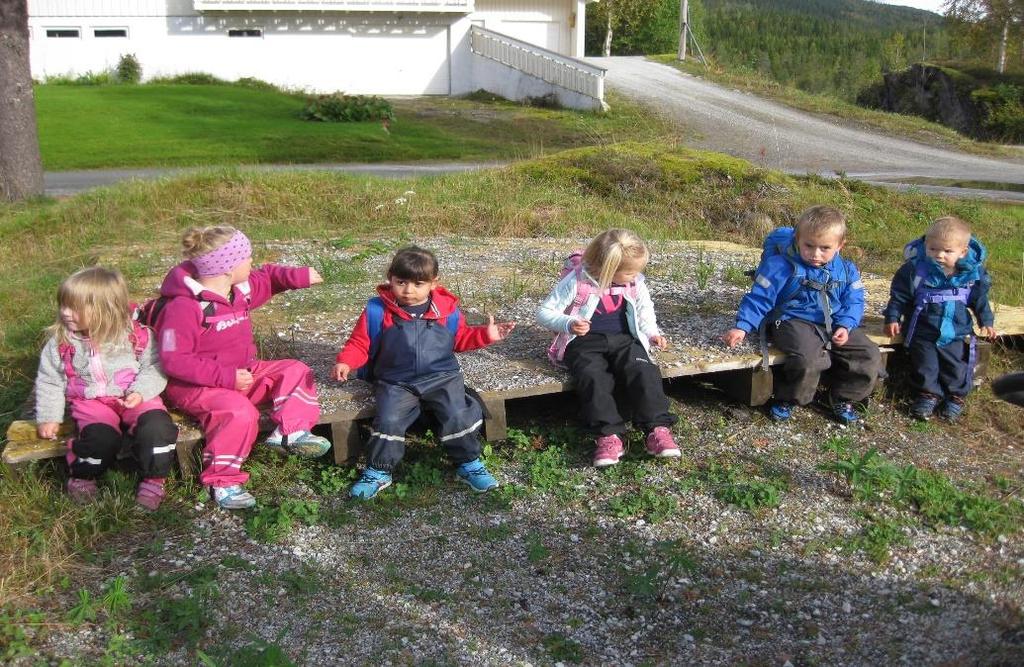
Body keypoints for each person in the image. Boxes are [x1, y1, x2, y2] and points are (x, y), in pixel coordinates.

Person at [155, 226, 330, 510]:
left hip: (242, 372)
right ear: (227, 268)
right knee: (239, 412)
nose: (252, 262)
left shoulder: (239, 290)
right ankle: (223, 482)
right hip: (196, 385)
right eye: (247, 257)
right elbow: (174, 360)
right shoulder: (183, 308)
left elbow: (269, 277)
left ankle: (292, 432)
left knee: (295, 370)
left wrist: (298, 277)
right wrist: (225, 377)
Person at [332, 246, 515, 499]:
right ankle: (378, 471)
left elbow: (459, 339)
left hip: (442, 377)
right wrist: (346, 361)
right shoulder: (377, 310)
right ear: (390, 279)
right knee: (389, 420)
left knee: (456, 414)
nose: (408, 290)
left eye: (418, 283)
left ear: (433, 283)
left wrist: (485, 334)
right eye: (401, 282)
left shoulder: (447, 310)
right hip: (396, 381)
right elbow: (359, 343)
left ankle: (469, 464)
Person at [34, 267, 179, 510]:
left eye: (74, 307)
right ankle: (83, 475)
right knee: (99, 437)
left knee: (157, 427)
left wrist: (140, 391)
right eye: (63, 305)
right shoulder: (61, 343)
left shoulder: (137, 335)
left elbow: (154, 366)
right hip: (91, 402)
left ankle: (154, 479)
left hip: (136, 395)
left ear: (106, 309)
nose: (65, 313)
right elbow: (50, 380)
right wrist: (49, 416)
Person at [722, 206, 881, 424]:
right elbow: (759, 297)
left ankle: (843, 398)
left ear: (840, 245)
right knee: (809, 359)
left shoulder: (846, 269)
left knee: (869, 353)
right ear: (798, 239)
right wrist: (743, 325)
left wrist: (845, 324)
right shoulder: (780, 266)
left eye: (825, 248)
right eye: (809, 246)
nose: (816, 254)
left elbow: (854, 300)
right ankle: (789, 398)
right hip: (791, 320)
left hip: (833, 322)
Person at [537, 229, 681, 467]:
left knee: (644, 371)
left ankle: (657, 428)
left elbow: (645, 309)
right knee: (593, 377)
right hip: (583, 342)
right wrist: (569, 323)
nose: (637, 275)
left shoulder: (635, 282)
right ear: (607, 269)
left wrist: (652, 333)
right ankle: (608, 435)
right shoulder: (578, 280)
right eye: (630, 271)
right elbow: (543, 312)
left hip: (625, 338)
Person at [883, 216, 996, 422]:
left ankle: (956, 397)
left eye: (947, 251)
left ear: (962, 252)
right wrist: (892, 318)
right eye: (933, 249)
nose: (939, 255)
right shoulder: (915, 270)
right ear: (926, 245)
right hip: (922, 329)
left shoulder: (970, 275)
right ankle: (928, 394)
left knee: (956, 365)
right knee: (925, 364)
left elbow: (979, 300)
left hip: (955, 329)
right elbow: (899, 296)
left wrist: (986, 321)